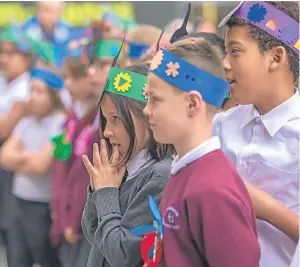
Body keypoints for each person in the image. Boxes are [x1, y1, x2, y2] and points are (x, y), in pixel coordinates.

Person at [143, 37, 261, 266]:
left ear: (192, 104)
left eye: (155, 99)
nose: (147, 110)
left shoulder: (213, 189)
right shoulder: (186, 171)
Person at [215, 1, 299, 266]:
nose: (225, 64)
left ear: (275, 57)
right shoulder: (220, 126)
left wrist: (267, 209)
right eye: (225, 52)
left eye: (235, 51)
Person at [81, 59, 174, 267]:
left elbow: (123, 255)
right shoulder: (126, 166)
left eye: (116, 118)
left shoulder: (160, 176)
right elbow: (92, 231)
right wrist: (98, 186)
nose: (106, 131)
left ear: (148, 115)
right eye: (105, 120)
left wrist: (106, 192)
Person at [0, 62, 65, 267]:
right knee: (17, 258)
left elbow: (40, 165)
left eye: (39, 91)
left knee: (44, 257)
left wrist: (19, 158)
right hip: (18, 201)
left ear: (53, 95)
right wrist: (28, 158)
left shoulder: (60, 123)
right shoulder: (26, 122)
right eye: (31, 90)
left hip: (42, 206)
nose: (32, 97)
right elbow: (4, 156)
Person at [50, 37, 97, 267]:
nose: (67, 84)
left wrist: (75, 219)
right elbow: (61, 163)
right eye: (65, 77)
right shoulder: (71, 116)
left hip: (79, 221)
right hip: (64, 213)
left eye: (74, 77)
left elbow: (83, 176)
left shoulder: (95, 118)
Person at [0, 25, 40, 266]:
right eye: (2, 52)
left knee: (13, 235)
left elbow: (4, 129)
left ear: (26, 57)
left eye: (10, 53)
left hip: (14, 170)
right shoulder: (5, 83)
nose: (4, 59)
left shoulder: (27, 88)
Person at [22, 1, 73, 68]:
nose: (43, 14)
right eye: (40, 9)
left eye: (48, 10)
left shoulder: (67, 29)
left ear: (59, 13)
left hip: (59, 73)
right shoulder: (27, 28)